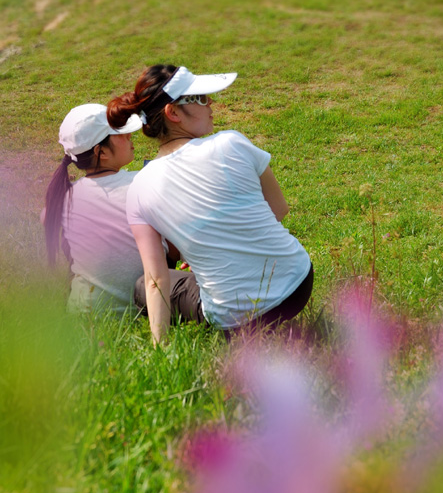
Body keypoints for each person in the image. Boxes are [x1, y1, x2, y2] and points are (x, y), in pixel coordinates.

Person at [106, 65, 313, 344]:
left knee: (142, 286)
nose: (211, 103)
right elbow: (279, 209)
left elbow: (156, 280)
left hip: (234, 321)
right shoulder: (233, 143)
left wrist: (160, 348)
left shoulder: (139, 189)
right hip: (297, 286)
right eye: (201, 98)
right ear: (174, 113)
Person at [44, 103, 199, 317]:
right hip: (149, 308)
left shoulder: (63, 198)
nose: (129, 136)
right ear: (102, 152)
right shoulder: (145, 181)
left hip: (85, 315)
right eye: (120, 134)